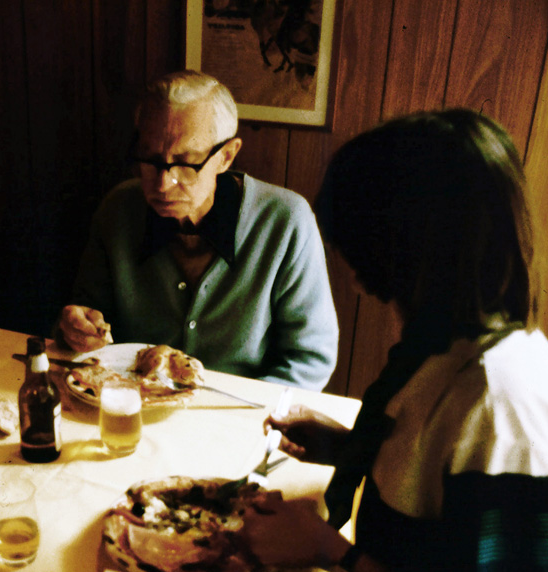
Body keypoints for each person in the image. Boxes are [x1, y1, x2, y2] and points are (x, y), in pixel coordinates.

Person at [242, 109, 548, 572]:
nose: (349, 270)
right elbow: (439, 492)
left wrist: (332, 553)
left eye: (352, 245)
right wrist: (348, 446)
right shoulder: (446, 344)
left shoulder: (498, 403)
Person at [56, 70, 338, 390]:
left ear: (226, 156)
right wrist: (77, 330)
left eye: (186, 162)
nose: (163, 183)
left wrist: (240, 412)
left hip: (241, 412)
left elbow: (310, 359)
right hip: (131, 403)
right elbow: (84, 320)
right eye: (150, 159)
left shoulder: (286, 222)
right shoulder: (117, 211)